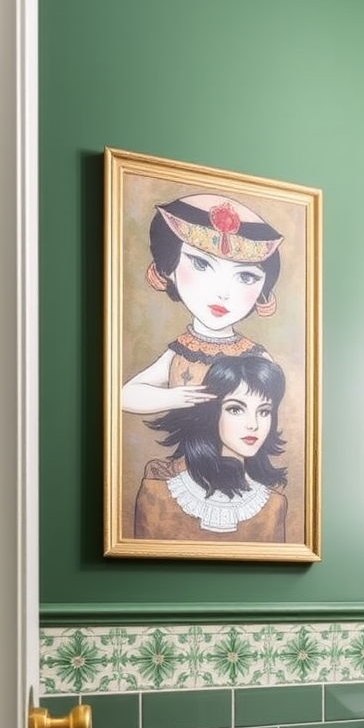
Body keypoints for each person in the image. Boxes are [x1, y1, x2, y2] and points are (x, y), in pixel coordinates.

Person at [121, 192, 283, 415]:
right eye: (201, 264)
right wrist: (174, 398)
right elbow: (124, 396)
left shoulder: (256, 356)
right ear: (168, 269)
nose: (222, 293)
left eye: (246, 277)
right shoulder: (182, 353)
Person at [134, 354, 289, 542]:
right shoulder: (157, 494)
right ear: (212, 412)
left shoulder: (273, 506)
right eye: (236, 409)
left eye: (264, 411)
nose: (253, 424)